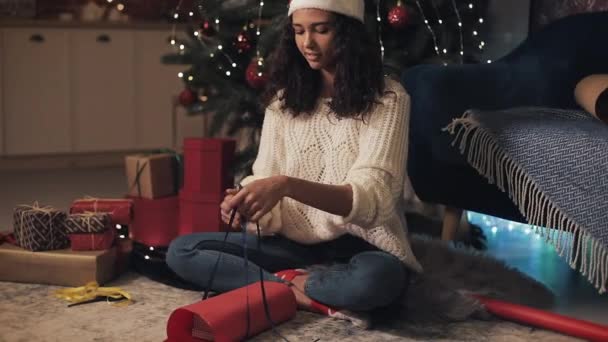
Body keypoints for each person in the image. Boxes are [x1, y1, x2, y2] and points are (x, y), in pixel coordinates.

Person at [167, 0, 422, 327]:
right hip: (293, 246)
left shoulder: (388, 99)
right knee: (182, 250)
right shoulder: (283, 102)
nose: (308, 44)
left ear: (348, 33)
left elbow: (375, 201)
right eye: (299, 31)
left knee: (376, 282)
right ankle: (294, 290)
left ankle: (289, 286)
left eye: (321, 29)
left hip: (363, 247)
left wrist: (286, 186)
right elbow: (266, 178)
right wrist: (247, 202)